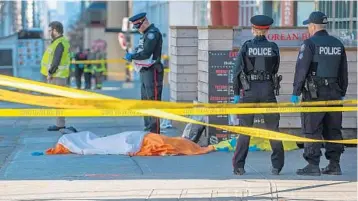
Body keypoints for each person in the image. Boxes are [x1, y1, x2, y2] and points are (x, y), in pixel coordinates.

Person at [290, 11, 348, 176]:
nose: (308, 28)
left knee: (312, 128)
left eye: (308, 25)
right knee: (333, 129)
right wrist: (342, 91)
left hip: (314, 94)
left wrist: (296, 91)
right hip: (335, 93)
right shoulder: (337, 44)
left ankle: (313, 164)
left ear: (313, 26)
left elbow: (301, 70)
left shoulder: (309, 44)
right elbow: (343, 71)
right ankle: (334, 164)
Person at [231, 15, 284, 175]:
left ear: (253, 29)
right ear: (267, 29)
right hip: (268, 89)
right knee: (273, 129)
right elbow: (275, 69)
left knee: (245, 129)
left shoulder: (246, 47)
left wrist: (235, 93)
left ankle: (239, 166)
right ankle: (277, 166)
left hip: (249, 90)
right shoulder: (273, 47)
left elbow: (237, 72)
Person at [124, 12, 164, 134]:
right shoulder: (146, 34)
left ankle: (154, 133)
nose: (137, 29)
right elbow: (142, 50)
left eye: (138, 26)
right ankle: (148, 130)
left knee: (153, 101)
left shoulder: (152, 34)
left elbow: (146, 53)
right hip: (145, 71)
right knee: (145, 101)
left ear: (144, 21)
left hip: (152, 71)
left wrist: (133, 56)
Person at [40, 21, 71, 131]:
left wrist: (50, 73)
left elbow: (56, 60)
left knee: (59, 101)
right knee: (57, 101)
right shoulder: (58, 42)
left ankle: (60, 125)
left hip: (57, 76)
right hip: (57, 76)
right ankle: (59, 124)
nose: (49, 33)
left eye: (50, 30)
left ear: (55, 30)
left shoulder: (60, 43)